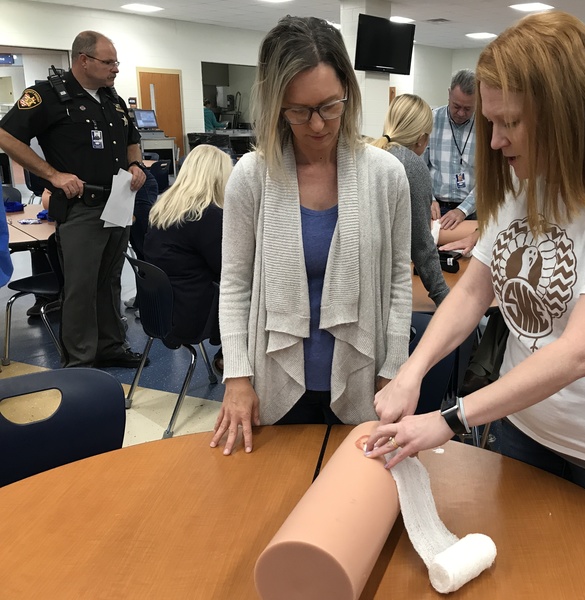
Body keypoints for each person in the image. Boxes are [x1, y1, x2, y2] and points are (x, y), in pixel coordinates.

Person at [366, 10, 585, 533]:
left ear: (569, 114)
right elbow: (472, 292)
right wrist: (411, 372)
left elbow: (581, 352)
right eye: (490, 122)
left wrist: (451, 419)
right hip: (526, 429)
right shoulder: (526, 185)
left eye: (509, 122)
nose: (493, 141)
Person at [210, 16, 412, 456]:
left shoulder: (387, 176)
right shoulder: (252, 177)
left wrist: (394, 367)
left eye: (330, 106)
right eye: (299, 111)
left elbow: (399, 281)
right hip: (274, 386)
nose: (318, 125)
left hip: (363, 382)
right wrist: (238, 378)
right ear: (276, 104)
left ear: (348, 94)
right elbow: (235, 285)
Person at [0, 30, 147, 368]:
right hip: (82, 208)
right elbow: (6, 135)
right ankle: (80, 360)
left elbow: (131, 139)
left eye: (116, 62)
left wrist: (136, 163)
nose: (116, 69)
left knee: (109, 280)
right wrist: (52, 176)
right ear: (84, 60)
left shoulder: (112, 98)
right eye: (109, 62)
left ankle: (112, 346)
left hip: (118, 203)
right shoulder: (48, 96)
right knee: (81, 286)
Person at [144, 144, 230, 371]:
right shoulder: (207, 215)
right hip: (191, 315)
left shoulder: (163, 207)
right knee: (255, 295)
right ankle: (229, 357)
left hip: (160, 311)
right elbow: (228, 270)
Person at [371, 94, 449, 307]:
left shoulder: (369, 154)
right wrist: (444, 297)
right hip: (382, 290)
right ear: (422, 138)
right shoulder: (412, 165)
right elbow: (422, 245)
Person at [424, 69, 477, 231]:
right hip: (435, 207)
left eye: (468, 109)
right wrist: (429, 199)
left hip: (471, 209)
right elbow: (420, 168)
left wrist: (462, 210)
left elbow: (490, 179)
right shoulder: (430, 121)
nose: (461, 113)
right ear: (449, 94)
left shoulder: (488, 127)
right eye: (456, 106)